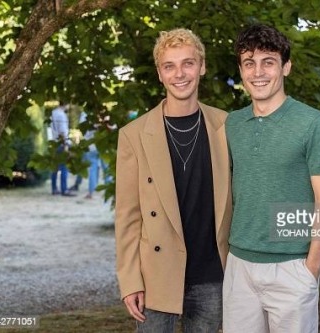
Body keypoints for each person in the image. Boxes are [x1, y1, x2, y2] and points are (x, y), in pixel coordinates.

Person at [114, 28, 232, 333]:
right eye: (170, 66)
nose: (179, 74)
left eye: (188, 63)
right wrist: (130, 281)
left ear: (202, 66)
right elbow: (128, 217)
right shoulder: (134, 135)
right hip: (156, 277)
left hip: (212, 275)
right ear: (160, 74)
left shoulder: (226, 126)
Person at [223, 24, 320, 333]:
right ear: (241, 70)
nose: (258, 72)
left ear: (285, 67)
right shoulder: (232, 124)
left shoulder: (312, 123)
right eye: (249, 63)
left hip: (292, 266)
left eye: (268, 62)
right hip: (239, 266)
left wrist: (310, 269)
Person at [69, 111, 111, 199]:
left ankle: (91, 192)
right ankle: (109, 191)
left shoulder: (84, 115)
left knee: (93, 170)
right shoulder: (101, 112)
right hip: (101, 145)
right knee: (106, 168)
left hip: (90, 146)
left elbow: (82, 130)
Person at [50, 101, 76, 197]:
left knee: (55, 168)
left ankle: (54, 188)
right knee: (64, 168)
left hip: (54, 142)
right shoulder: (61, 115)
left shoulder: (53, 113)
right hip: (61, 143)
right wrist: (65, 145)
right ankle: (64, 189)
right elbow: (63, 132)